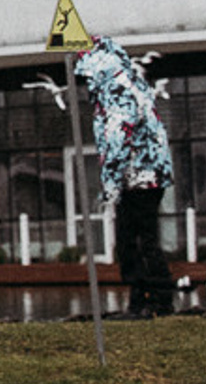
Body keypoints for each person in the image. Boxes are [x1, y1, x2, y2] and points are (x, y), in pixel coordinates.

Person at [75, 35, 176, 315]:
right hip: (147, 173)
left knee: (134, 239)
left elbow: (119, 136)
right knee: (139, 238)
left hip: (139, 176)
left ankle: (153, 299)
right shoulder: (129, 83)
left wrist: (110, 185)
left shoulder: (117, 89)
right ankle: (148, 299)